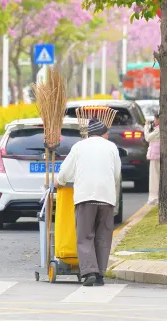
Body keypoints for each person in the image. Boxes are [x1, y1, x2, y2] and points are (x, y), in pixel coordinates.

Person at [57, 118, 122, 287]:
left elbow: (64, 172)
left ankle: (89, 272)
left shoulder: (79, 146)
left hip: (85, 197)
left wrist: (60, 181)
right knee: (103, 237)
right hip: (106, 198)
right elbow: (116, 174)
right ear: (103, 133)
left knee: (85, 236)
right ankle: (100, 274)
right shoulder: (112, 147)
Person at [144, 110, 160, 205]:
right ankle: (154, 197)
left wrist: (146, 127)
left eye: (155, 119)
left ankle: (154, 198)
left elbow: (148, 138)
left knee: (154, 178)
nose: (154, 121)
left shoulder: (159, 129)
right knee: (155, 177)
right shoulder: (157, 128)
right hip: (156, 155)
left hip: (156, 156)